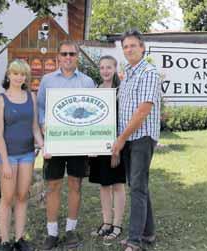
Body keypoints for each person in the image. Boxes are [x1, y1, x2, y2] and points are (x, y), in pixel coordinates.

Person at [37, 40, 95, 250]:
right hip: (55, 141)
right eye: (64, 54)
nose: (68, 57)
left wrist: (93, 141)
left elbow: (94, 114)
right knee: (53, 185)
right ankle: (52, 233)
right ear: (58, 57)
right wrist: (45, 132)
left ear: (77, 56)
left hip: (78, 144)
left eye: (72, 54)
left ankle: (71, 230)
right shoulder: (47, 80)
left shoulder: (88, 82)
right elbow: (41, 109)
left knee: (75, 184)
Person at [111, 29, 161, 251]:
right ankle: (147, 233)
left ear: (142, 47)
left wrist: (121, 139)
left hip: (141, 137)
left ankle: (134, 241)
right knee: (138, 185)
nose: (129, 49)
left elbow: (143, 111)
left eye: (133, 45)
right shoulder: (128, 74)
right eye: (125, 47)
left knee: (137, 188)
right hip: (129, 138)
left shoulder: (148, 73)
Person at [0, 59, 44, 251]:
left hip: (27, 155)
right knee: (7, 198)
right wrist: (5, 162)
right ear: (9, 75)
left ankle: (19, 238)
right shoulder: (1, 99)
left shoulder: (31, 96)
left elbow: (34, 128)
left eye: (23, 74)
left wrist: (43, 146)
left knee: (22, 196)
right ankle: (5, 241)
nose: (19, 77)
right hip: (8, 157)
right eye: (15, 73)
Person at [89, 56, 126, 244]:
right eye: (102, 67)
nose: (105, 71)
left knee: (117, 184)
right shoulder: (95, 91)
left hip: (116, 146)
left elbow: (123, 121)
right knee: (104, 185)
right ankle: (106, 222)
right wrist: (90, 145)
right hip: (98, 147)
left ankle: (117, 224)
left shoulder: (120, 91)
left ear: (115, 69)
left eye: (108, 67)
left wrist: (117, 148)